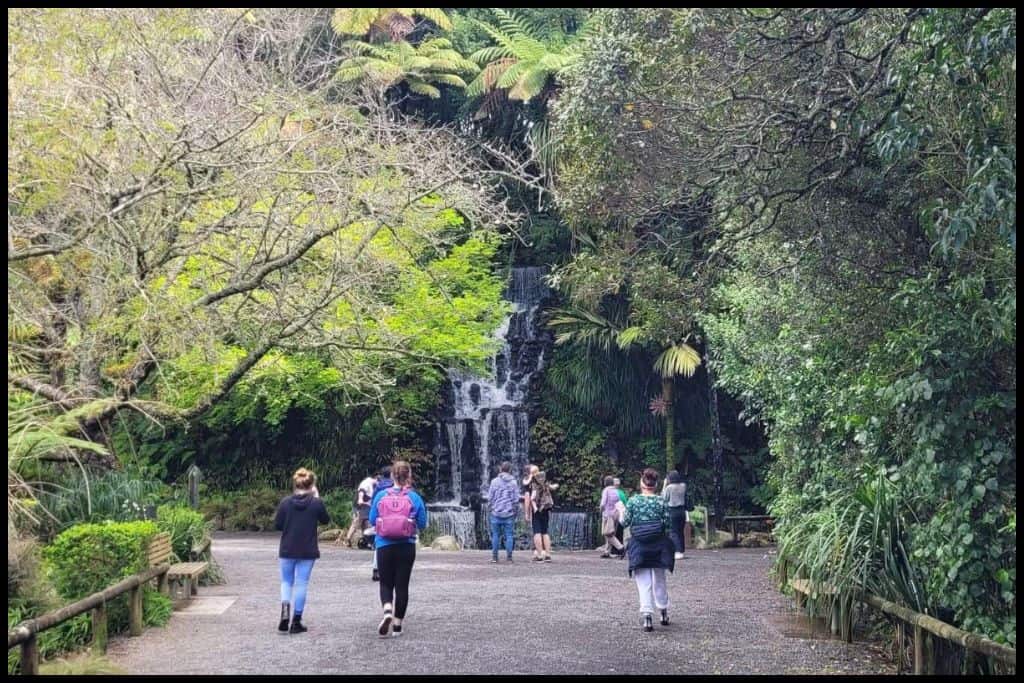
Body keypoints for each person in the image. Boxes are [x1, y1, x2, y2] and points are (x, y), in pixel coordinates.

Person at [368, 460, 427, 638]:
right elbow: (423, 524)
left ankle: (387, 609)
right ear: (408, 476)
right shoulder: (414, 497)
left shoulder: (380, 495)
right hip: (406, 546)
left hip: (384, 545)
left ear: (392, 475)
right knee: (402, 585)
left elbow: (372, 519)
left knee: (386, 582)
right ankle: (398, 626)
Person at [617, 468, 675, 632]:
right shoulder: (661, 501)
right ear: (656, 485)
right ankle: (663, 612)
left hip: (639, 545)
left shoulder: (634, 501)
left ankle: (647, 617)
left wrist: (621, 511)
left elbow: (624, 523)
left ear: (642, 483)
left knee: (643, 582)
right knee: (660, 579)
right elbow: (668, 525)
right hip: (658, 545)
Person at [274, 467, 330, 634]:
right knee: (302, 582)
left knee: (286, 581)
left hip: (287, 548)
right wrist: (317, 497)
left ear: (295, 484)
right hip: (307, 549)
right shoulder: (316, 503)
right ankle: (296, 621)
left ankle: (285, 611)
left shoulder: (285, 502)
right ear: (312, 485)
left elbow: (278, 525)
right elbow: (325, 520)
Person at [523, 465, 558, 562]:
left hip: (536, 509)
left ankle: (539, 555)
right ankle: (547, 554)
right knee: (545, 532)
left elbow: (527, 499)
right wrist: (555, 486)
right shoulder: (544, 479)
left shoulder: (530, 483)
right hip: (545, 507)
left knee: (537, 532)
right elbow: (552, 488)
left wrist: (526, 513)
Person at [487, 461, 520, 563]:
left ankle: (494, 557)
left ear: (501, 469)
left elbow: (490, 497)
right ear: (510, 470)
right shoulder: (513, 482)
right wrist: (514, 509)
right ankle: (509, 558)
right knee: (509, 535)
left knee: (495, 535)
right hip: (509, 513)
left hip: (496, 513)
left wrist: (490, 507)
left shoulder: (494, 481)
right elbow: (516, 499)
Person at [370, 465, 393, 582]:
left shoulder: (378, 488)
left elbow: (373, 504)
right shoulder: (396, 487)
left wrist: (374, 521)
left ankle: (376, 569)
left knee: (379, 544)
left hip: (381, 520)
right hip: (396, 520)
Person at [345, 471, 377, 547]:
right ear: (376, 479)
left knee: (364, 523)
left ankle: (365, 540)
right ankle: (348, 539)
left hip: (366, 506)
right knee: (356, 522)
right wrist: (360, 499)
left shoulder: (373, 485)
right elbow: (361, 491)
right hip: (360, 506)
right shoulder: (367, 482)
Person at [662, 470, 687, 560]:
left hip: (672, 510)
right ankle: (682, 549)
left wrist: (664, 485)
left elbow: (664, 498)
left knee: (673, 531)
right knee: (680, 531)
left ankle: (677, 551)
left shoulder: (669, 487)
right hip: (682, 510)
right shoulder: (683, 486)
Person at [598, 476, 625, 558]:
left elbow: (603, 503)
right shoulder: (616, 491)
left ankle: (621, 548)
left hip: (608, 515)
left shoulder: (606, 490)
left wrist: (601, 510)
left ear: (605, 483)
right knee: (611, 533)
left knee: (606, 533)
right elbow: (618, 502)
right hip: (616, 514)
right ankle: (607, 552)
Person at [613, 477, 627, 549]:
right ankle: (619, 549)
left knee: (613, 533)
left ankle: (614, 549)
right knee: (620, 532)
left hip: (613, 514)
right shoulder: (621, 492)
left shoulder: (611, 492)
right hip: (621, 515)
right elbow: (625, 503)